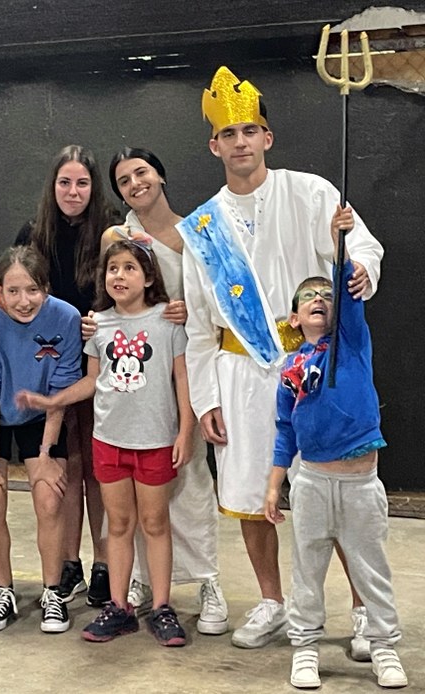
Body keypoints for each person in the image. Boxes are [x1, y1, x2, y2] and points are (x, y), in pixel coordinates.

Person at [177, 65, 384, 649]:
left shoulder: (311, 191)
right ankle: (272, 601)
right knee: (249, 495)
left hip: (313, 365)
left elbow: (359, 241)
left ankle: (365, 609)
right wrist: (206, 398)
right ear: (214, 145)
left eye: (250, 130)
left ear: (266, 137)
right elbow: (196, 323)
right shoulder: (202, 228)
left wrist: (361, 267)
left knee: (330, 493)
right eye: (229, 133)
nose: (240, 141)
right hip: (238, 371)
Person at [19, 239, 194, 646]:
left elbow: (182, 379)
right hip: (109, 442)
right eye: (113, 268)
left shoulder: (167, 323)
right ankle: (119, 606)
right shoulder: (98, 325)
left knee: (154, 523)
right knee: (117, 525)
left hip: (154, 441)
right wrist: (51, 400)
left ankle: (163, 606)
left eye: (130, 268)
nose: (119, 275)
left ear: (148, 277)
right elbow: (93, 380)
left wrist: (185, 431)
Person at [264, 210, 407, 689]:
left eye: (326, 296)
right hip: (312, 483)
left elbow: (347, 291)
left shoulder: (351, 342)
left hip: (360, 484)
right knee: (307, 567)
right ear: (294, 316)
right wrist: (273, 483)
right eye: (309, 298)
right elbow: (284, 429)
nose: (319, 301)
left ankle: (384, 644)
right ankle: (304, 648)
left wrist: (340, 249)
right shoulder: (291, 367)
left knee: (371, 567)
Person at [100, 146, 228, 636]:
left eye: (142, 173)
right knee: (131, 497)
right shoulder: (119, 236)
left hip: (183, 368)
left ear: (161, 175)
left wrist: (185, 312)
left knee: (191, 481)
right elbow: (112, 297)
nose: (136, 184)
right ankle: (135, 580)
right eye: (125, 180)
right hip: (135, 381)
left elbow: (214, 302)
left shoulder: (196, 230)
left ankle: (206, 582)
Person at [15, 144, 120, 606]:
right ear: (52, 186)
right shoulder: (33, 232)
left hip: (98, 362)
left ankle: (102, 562)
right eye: (64, 182)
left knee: (97, 467)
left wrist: (105, 318)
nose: (73, 191)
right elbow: (19, 296)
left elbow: (129, 283)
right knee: (66, 465)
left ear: (94, 188)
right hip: (50, 362)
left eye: (82, 183)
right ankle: (68, 562)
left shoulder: (112, 227)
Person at [0, 246, 81, 633]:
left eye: (32, 290)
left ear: (45, 288)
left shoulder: (65, 318)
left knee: (48, 497)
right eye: (12, 291)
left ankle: (52, 593)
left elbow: (61, 391)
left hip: (40, 412)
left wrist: (46, 453)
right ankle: (2, 591)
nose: (23, 301)